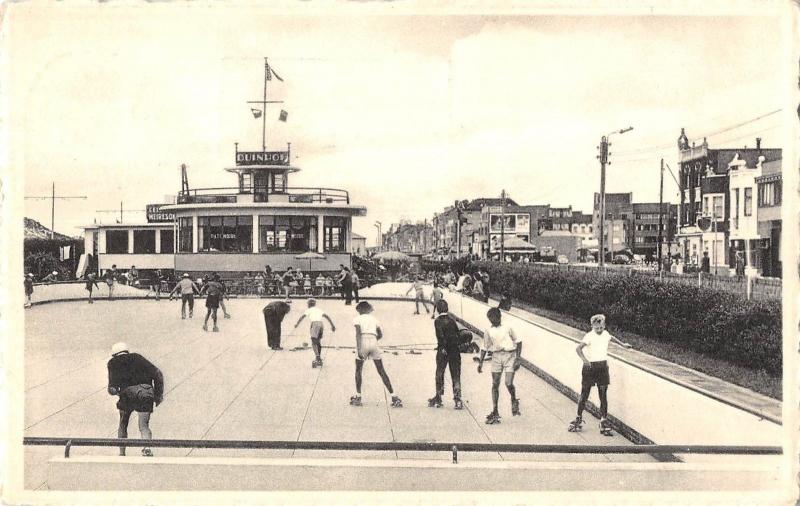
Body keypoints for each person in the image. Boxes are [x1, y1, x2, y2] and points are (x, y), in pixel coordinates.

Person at [568, 314, 632, 436]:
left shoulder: (606, 334)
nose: (599, 330)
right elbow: (578, 349)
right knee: (585, 394)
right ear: (592, 326)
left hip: (602, 367)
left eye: (601, 327)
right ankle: (578, 417)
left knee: (603, 394)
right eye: (597, 328)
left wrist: (623, 344)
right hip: (590, 368)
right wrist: (585, 361)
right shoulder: (589, 336)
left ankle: (603, 420)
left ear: (604, 326)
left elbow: (611, 337)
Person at [107, 342, 164, 457]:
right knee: (144, 425)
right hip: (145, 392)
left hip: (128, 394)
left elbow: (112, 387)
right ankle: (146, 447)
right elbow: (158, 373)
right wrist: (158, 395)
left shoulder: (113, 363)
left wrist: (116, 392)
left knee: (123, 423)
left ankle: (122, 452)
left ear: (114, 354)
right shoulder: (138, 357)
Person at [350, 301, 402, 408]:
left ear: (360, 310)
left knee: (358, 370)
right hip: (374, 341)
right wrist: (373, 341)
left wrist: (360, 349)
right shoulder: (374, 319)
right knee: (381, 370)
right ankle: (394, 396)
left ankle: (358, 397)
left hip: (363, 341)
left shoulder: (357, 319)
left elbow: (358, 334)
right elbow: (380, 335)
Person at [477, 307, 523, 424]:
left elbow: (518, 341)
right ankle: (495, 410)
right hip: (496, 357)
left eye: (494, 319)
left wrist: (518, 358)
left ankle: (513, 399)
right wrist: (481, 362)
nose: (492, 322)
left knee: (508, 383)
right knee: (495, 384)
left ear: (499, 317)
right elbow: (485, 346)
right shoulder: (488, 330)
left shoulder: (508, 327)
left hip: (510, 356)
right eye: (490, 320)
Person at [428, 300, 463, 410]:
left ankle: (438, 397)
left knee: (439, 373)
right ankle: (457, 400)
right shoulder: (452, 320)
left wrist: (442, 347)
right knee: (455, 374)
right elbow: (458, 334)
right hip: (454, 350)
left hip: (443, 350)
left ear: (438, 309)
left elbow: (440, 335)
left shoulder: (437, 321)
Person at [294, 298, 337, 368]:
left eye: (307, 304)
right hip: (321, 324)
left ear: (309, 304)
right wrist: (332, 325)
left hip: (314, 324)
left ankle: (317, 357)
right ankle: (319, 357)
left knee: (313, 341)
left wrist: (297, 324)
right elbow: (327, 316)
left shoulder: (309, 310)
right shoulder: (319, 309)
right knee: (318, 341)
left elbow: (302, 317)